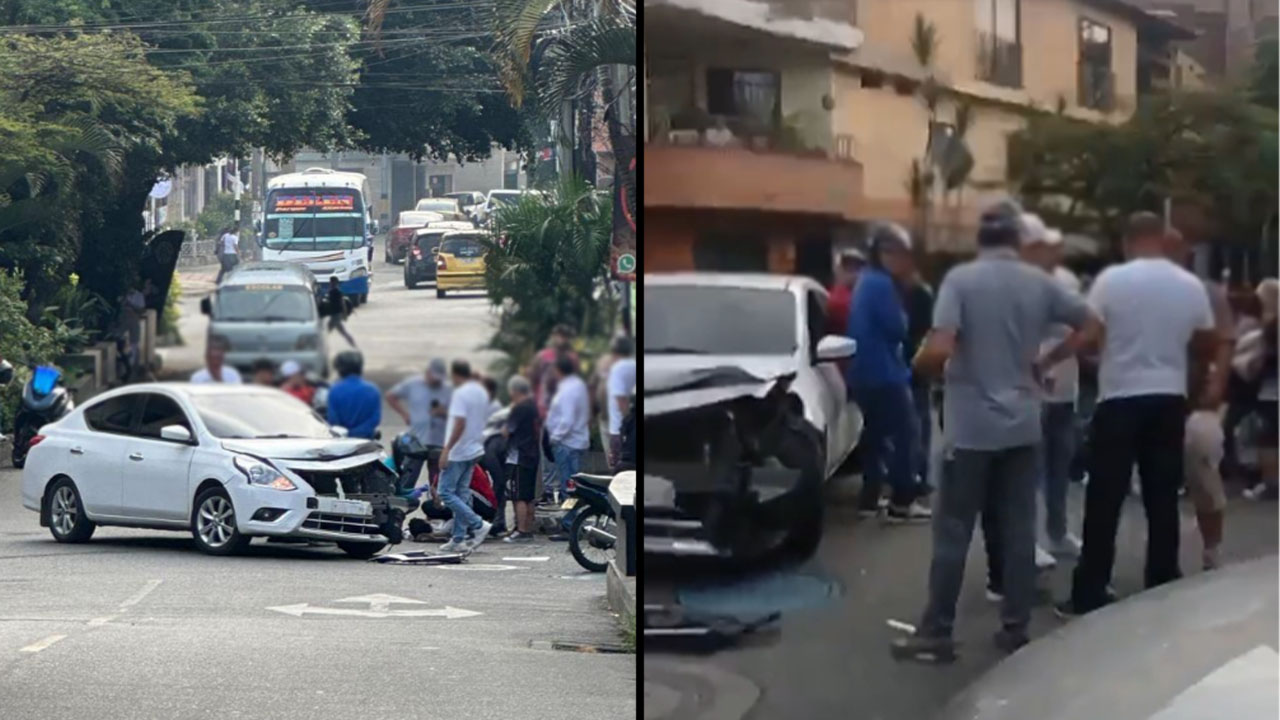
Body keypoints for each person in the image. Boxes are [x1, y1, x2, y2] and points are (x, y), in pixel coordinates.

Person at [891, 200, 1092, 663]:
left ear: (978, 239)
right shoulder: (1040, 282)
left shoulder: (961, 280)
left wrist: (920, 366)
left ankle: (937, 631)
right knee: (1019, 529)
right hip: (1023, 424)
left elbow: (939, 349)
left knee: (953, 532)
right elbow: (1093, 325)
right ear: (1018, 240)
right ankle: (1014, 629)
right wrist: (1047, 360)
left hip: (971, 428)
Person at [1053, 212, 1216, 619]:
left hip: (1121, 396)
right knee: (1162, 496)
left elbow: (1089, 334)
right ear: (1162, 239)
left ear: (1128, 241)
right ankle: (1162, 579)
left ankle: (1090, 589)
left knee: (1105, 496)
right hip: (1168, 397)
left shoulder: (1111, 281)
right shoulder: (1189, 284)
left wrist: (1048, 359)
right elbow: (1205, 341)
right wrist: (1191, 382)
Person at [846, 222, 930, 522]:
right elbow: (899, 329)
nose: (902, 260)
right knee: (907, 434)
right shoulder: (882, 285)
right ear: (881, 253)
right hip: (885, 372)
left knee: (875, 437)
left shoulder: (865, 280)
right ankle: (902, 502)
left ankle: (869, 500)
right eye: (896, 253)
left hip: (863, 372)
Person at [1164, 227, 1234, 569]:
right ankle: (1162, 556)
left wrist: (1218, 380)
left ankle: (1212, 548)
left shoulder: (1206, 291)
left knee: (1201, 456)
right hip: (1158, 391)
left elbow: (1225, 338)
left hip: (1198, 395)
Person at [1020, 218, 1085, 561]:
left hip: (1064, 387)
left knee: (1060, 465)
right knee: (1028, 469)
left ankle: (1058, 533)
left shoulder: (1066, 281)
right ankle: (1027, 540)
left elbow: (1085, 328)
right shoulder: (1018, 284)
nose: (1052, 253)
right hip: (1031, 391)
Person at [438, 359, 494, 552]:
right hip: (474, 448)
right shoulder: (480, 392)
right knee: (462, 493)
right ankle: (459, 538)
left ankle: (478, 524)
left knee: (445, 492)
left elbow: (460, 423)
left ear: (455, 375)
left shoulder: (460, 394)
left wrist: (447, 449)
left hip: (459, 451)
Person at [386, 358, 452, 487]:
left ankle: (436, 503)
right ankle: (405, 499)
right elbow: (391, 396)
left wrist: (443, 413)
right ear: (428, 372)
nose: (436, 381)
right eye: (434, 377)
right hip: (417, 439)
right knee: (408, 476)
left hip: (439, 440)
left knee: (437, 479)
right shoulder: (413, 384)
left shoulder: (448, 389)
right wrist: (404, 414)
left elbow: (458, 414)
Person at [1241, 279, 1279, 500]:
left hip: (1272, 388)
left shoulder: (1271, 325)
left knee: (1268, 436)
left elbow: (1266, 357)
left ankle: (1271, 483)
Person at [903, 270, 935, 493]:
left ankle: (914, 475)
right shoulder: (921, 294)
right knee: (920, 423)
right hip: (916, 364)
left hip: (906, 364)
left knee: (913, 424)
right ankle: (918, 475)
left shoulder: (903, 295)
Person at [547, 354, 590, 504]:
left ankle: (570, 520)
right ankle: (574, 515)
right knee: (575, 483)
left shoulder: (567, 390)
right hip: (576, 440)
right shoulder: (578, 385)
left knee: (569, 485)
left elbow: (567, 419)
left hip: (567, 443)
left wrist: (555, 438)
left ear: (559, 370)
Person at [503, 375, 541, 543]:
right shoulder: (534, 406)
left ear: (515, 391)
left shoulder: (519, 408)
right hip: (533, 453)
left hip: (519, 456)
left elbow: (507, 431)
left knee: (518, 496)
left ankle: (522, 530)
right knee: (529, 495)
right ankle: (528, 527)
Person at [326, 350, 381, 439]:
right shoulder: (372, 390)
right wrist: (359, 432)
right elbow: (375, 419)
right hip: (366, 441)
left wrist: (348, 434)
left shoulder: (334, 390)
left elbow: (333, 420)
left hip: (343, 441)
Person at [603, 337, 636, 470]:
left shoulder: (618, 368)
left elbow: (620, 398)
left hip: (619, 427)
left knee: (618, 471)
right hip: (631, 428)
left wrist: (625, 425)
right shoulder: (634, 365)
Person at [827, 250, 867, 337]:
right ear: (839, 270)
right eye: (848, 268)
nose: (853, 273)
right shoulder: (837, 297)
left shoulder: (864, 294)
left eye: (857, 268)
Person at [324, 276, 357, 348]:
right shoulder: (334, 291)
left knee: (325, 333)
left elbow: (342, 303)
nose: (330, 283)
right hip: (335, 315)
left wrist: (345, 315)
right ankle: (353, 345)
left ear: (334, 282)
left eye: (331, 282)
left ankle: (321, 347)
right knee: (341, 332)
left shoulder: (335, 292)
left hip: (336, 316)